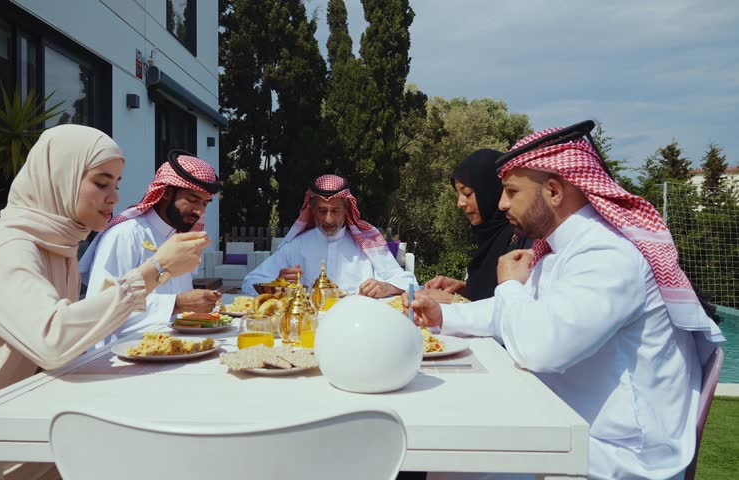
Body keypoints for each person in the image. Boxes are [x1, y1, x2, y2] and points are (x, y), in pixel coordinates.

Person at [408, 121, 724, 480]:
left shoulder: (607, 254)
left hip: (620, 453)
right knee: (455, 439)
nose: (501, 203)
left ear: (555, 192)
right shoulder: (564, 249)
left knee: (455, 453)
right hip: (572, 424)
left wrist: (510, 286)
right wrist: (443, 317)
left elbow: (541, 347)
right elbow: (512, 311)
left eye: (512, 192)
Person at [0, 125, 210, 480]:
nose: (113, 198)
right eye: (100, 183)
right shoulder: (7, 249)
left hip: (20, 420)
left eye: (117, 185)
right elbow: (53, 340)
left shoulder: (60, 247)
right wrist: (156, 269)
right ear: (60, 178)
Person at [79, 150, 221, 345]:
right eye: (192, 199)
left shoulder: (180, 238)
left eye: (205, 203)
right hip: (123, 358)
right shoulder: (127, 234)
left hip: (175, 350)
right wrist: (175, 304)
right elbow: (99, 309)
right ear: (167, 193)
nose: (199, 211)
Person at [242, 174, 417, 298]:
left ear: (346, 209)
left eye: (335, 210)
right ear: (312, 209)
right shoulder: (295, 246)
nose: (328, 219)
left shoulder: (366, 245)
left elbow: (409, 282)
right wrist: (277, 283)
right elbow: (250, 282)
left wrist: (386, 287)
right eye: (322, 210)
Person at [424, 149, 532, 303]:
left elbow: (515, 309)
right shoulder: (490, 237)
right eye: (458, 194)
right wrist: (465, 289)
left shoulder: (522, 238)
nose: (460, 203)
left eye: (467, 193)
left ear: (490, 191)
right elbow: (489, 292)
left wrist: (456, 303)